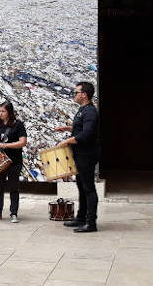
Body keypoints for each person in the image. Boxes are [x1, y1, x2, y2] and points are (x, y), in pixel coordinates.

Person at [55, 81, 100, 233]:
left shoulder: (90, 112)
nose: (74, 95)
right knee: (81, 186)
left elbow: (87, 134)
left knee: (88, 188)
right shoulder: (83, 110)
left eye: (76, 92)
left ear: (84, 94)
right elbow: (81, 128)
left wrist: (67, 140)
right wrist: (69, 129)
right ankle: (81, 217)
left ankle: (91, 222)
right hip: (79, 154)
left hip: (86, 154)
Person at [0, 101, 27, 223]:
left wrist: (7, 145)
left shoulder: (18, 125)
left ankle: (13, 213)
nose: (0, 113)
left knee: (13, 188)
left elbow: (23, 142)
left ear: (9, 112)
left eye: (3, 111)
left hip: (14, 161)